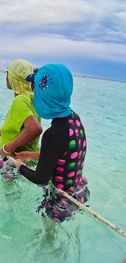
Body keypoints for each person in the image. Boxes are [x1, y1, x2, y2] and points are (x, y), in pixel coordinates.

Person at [10, 64, 89, 222]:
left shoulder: (52, 134)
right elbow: (61, 155)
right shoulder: (74, 118)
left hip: (61, 200)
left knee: (49, 239)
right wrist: (29, 155)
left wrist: (18, 165)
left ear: (44, 96)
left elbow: (41, 179)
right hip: (78, 189)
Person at [0, 59, 42, 180]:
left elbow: (35, 129)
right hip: (27, 160)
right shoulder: (32, 97)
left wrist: (7, 147)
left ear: (14, 78)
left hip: (14, 161)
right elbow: (17, 130)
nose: (6, 77)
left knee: (9, 195)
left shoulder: (19, 100)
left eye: (8, 73)